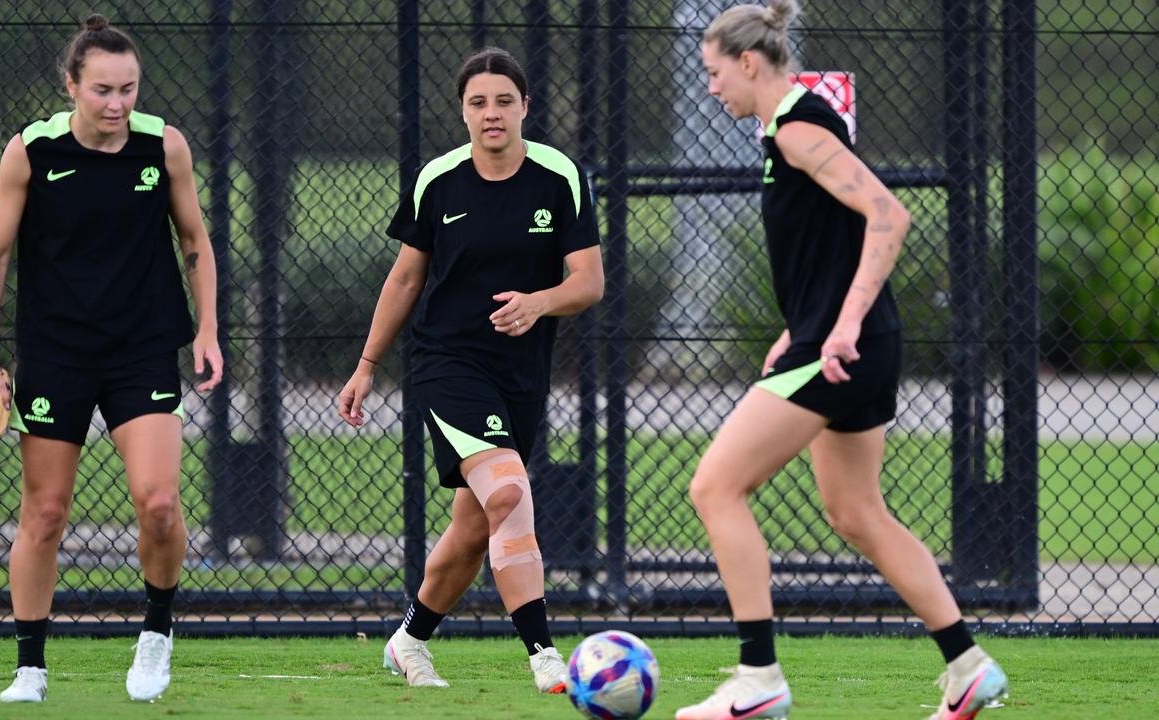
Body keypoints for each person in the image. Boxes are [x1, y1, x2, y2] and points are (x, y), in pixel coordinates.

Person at [674, 3, 1009, 719]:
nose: (710, 88)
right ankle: (969, 665)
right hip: (842, 343)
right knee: (856, 511)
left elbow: (889, 215)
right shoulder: (788, 129)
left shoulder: (797, 128)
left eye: (713, 72)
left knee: (715, 488)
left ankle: (758, 678)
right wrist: (803, 325)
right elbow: (832, 241)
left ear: (749, 63)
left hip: (841, 348)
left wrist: (840, 323)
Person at [0, 13, 222, 704]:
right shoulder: (30, 152)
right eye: (103, 89)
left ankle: (157, 635)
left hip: (140, 348)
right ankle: (30, 668)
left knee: (160, 503)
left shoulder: (163, 147)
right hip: (56, 353)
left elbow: (195, 240)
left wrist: (208, 330)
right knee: (45, 514)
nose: (117, 104)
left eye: (129, 89)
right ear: (71, 84)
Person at [338, 47, 604, 694]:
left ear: (525, 108)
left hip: (521, 374)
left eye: (504, 101)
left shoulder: (558, 176)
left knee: (473, 525)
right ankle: (544, 654)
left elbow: (590, 281)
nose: (492, 114)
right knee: (509, 489)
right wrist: (368, 363)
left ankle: (409, 641)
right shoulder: (440, 180)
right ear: (462, 111)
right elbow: (406, 278)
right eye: (478, 103)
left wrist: (539, 303)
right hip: (446, 362)